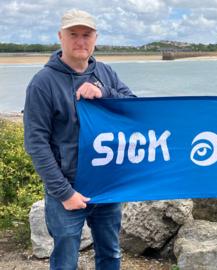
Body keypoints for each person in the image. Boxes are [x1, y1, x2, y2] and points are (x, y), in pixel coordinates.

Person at [23, 9, 136, 269]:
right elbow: (36, 143)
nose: (80, 41)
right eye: (73, 34)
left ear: (95, 38)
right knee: (65, 260)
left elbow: (133, 107)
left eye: (86, 35)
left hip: (106, 186)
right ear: (60, 37)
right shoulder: (42, 83)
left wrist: (103, 92)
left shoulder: (105, 72)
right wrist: (65, 193)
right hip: (67, 190)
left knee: (111, 254)